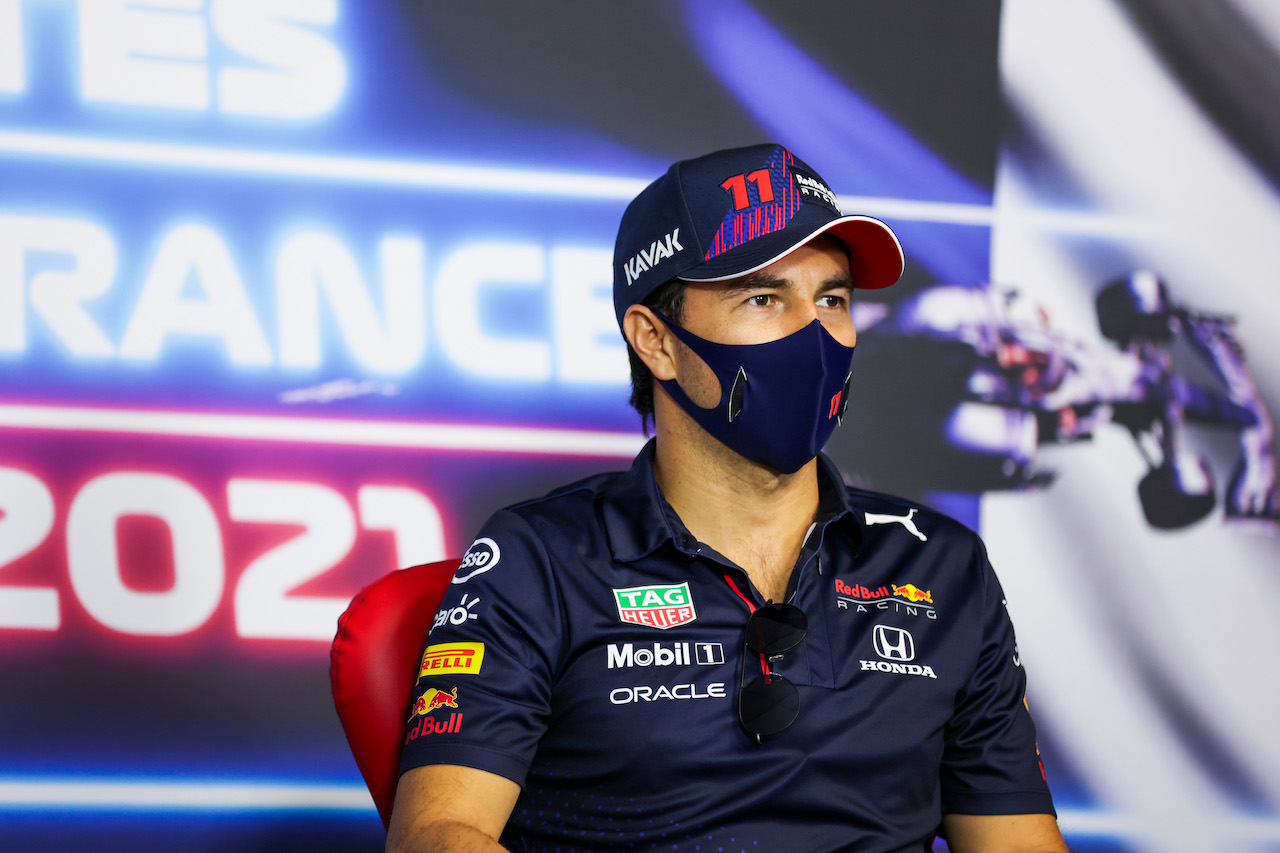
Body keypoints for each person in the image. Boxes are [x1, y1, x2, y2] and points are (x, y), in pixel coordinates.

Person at [387, 144, 1068, 853]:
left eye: (831, 298)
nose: (814, 334)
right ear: (657, 341)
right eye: (764, 298)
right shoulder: (541, 560)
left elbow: (1018, 840)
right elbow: (436, 834)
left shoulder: (944, 567)